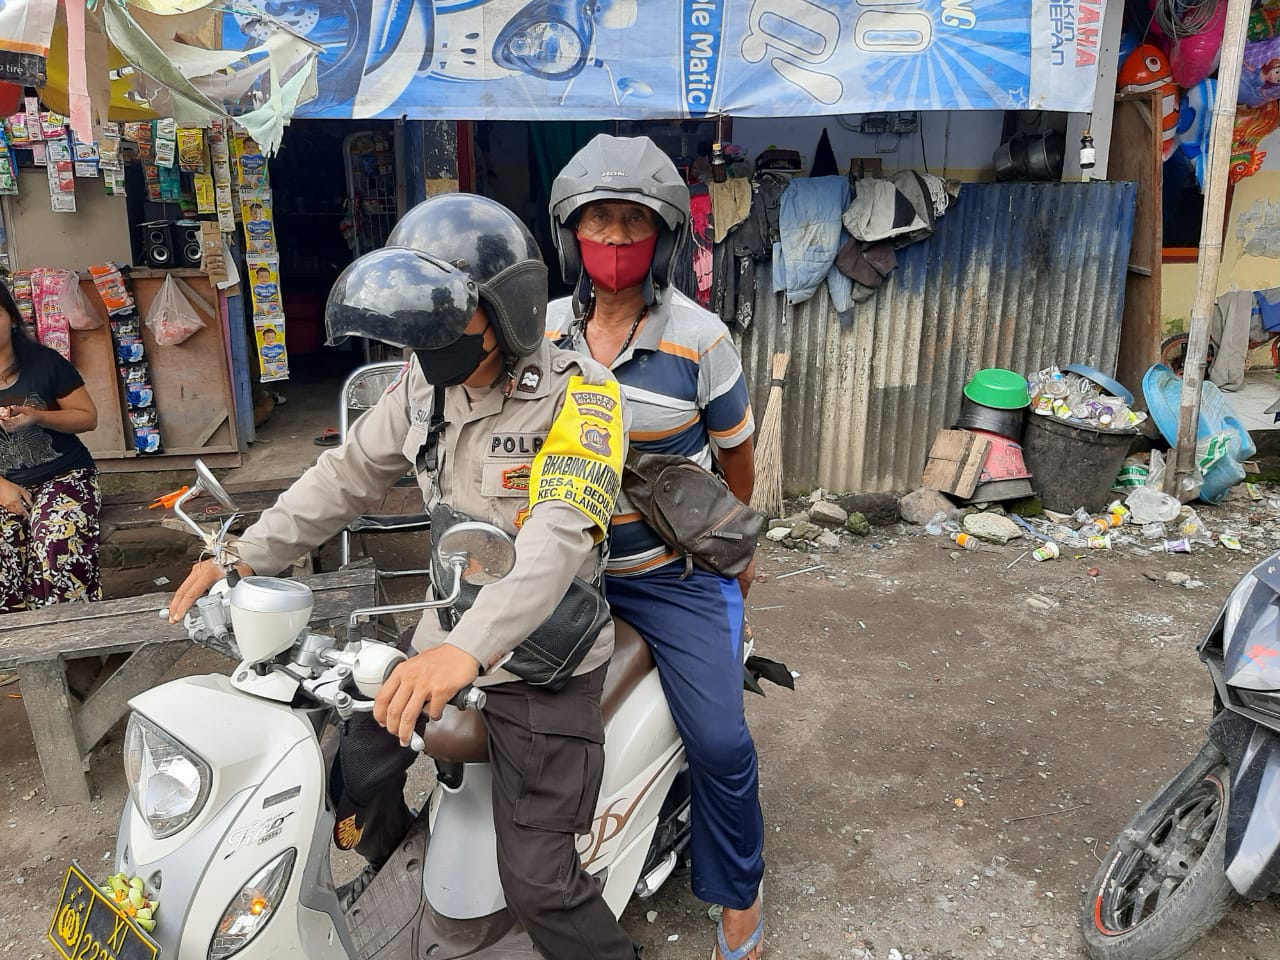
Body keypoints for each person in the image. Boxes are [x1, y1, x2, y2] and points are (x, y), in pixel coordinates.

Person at [168, 194, 639, 960]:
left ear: (507, 312)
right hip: (442, 633)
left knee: (540, 881)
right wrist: (244, 553)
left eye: (444, 324)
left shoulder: (584, 397)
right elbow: (346, 476)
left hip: (542, 659)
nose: (426, 346)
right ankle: (402, 871)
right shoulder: (424, 384)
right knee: (351, 771)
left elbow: (556, 540)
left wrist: (469, 653)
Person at [547, 134, 766, 960]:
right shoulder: (539, 334)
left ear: (663, 237)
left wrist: (729, 557)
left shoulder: (700, 338)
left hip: (669, 577)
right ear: (570, 232)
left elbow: (737, 457)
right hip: (560, 575)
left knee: (719, 741)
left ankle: (738, 889)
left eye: (631, 222)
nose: (611, 240)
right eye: (597, 221)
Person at [0, 280, 101, 614]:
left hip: (65, 476)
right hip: (4, 486)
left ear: (11, 318)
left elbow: (88, 418)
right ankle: (20, 647)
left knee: (56, 539)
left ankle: (74, 643)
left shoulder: (44, 362)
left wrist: (38, 417)